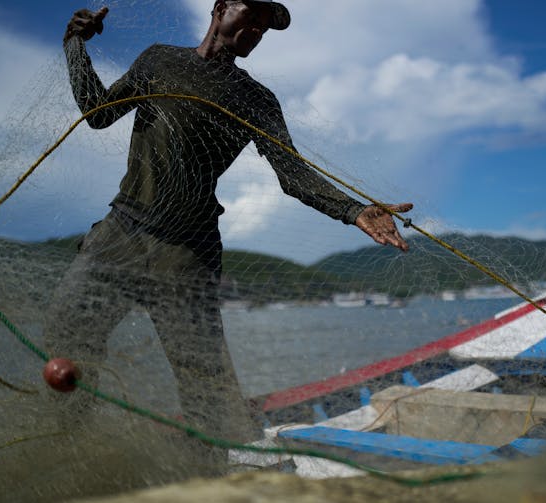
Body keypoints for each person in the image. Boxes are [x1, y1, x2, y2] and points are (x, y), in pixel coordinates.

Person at [47, 0, 412, 460]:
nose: (257, 28)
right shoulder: (160, 59)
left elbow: (292, 174)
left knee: (207, 392)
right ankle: (67, 451)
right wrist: (74, 44)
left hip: (186, 256)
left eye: (265, 25)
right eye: (251, 14)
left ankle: (213, 473)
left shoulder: (256, 99)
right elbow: (99, 113)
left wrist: (354, 210)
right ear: (220, 9)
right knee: (66, 342)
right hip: (119, 234)